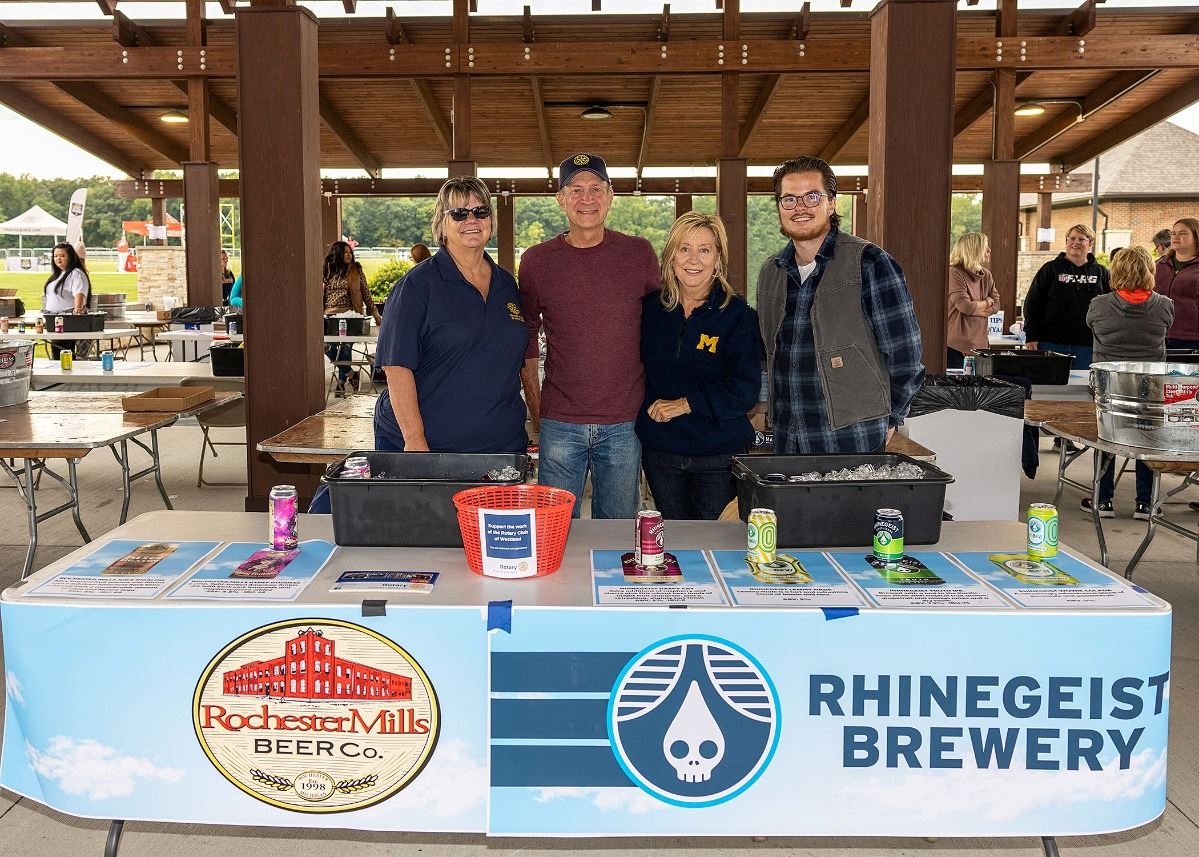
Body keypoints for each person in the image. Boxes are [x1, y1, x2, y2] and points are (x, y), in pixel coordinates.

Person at [519, 153, 660, 518]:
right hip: (560, 421)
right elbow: (527, 336)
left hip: (625, 420)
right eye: (576, 189)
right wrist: (536, 408)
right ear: (560, 199)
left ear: (611, 196)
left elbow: (662, 325)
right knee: (553, 528)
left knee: (617, 533)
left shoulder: (639, 253)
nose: (587, 198)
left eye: (596, 188)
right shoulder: (536, 261)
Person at [756, 154, 924, 454]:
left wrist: (892, 418)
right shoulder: (772, 272)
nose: (801, 208)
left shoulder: (870, 263)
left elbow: (906, 353)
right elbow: (770, 353)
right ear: (779, 207)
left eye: (812, 196)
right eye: (789, 199)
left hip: (852, 435)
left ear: (831, 203)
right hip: (788, 436)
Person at [373, 176, 527, 454]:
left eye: (481, 211)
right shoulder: (417, 286)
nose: (472, 220)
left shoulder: (507, 284)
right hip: (430, 448)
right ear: (442, 224)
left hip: (502, 448)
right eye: (458, 213)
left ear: (491, 222)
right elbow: (396, 367)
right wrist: (415, 440)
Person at [636, 212, 761, 520]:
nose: (694, 259)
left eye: (704, 250)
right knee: (674, 541)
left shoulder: (739, 316)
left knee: (714, 543)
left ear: (718, 258)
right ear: (671, 256)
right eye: (684, 249)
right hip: (661, 452)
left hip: (718, 455)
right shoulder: (649, 309)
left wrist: (685, 404)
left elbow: (744, 390)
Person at [1085, 246, 1174, 520]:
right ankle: (1145, 503)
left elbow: (1091, 325)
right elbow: (1167, 328)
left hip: (1109, 386)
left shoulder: (1099, 305)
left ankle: (1103, 501)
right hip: (1150, 388)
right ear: (1150, 271)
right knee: (1147, 442)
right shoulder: (1164, 306)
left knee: (1106, 439)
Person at [1022, 224, 1110, 369]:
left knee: (1084, 389)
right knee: (1052, 388)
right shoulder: (1050, 269)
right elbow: (1033, 303)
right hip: (1051, 342)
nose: (1076, 243)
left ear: (1090, 244)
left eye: (1081, 239)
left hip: (1087, 345)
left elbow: (1109, 306)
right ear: (1066, 241)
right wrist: (1031, 335)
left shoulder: (1101, 272)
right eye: (1072, 238)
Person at [322, 240, 380, 395]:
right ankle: (351, 374)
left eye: (350, 252)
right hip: (328, 316)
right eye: (346, 252)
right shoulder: (327, 270)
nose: (349, 255)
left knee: (345, 350)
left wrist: (375, 312)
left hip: (350, 315)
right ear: (338, 254)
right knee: (325, 346)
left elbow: (366, 292)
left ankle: (341, 383)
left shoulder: (355, 269)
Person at [946, 232, 1000, 369]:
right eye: (985, 247)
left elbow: (997, 305)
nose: (989, 250)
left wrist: (977, 308)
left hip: (981, 348)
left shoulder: (986, 275)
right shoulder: (954, 273)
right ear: (973, 250)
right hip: (956, 347)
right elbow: (965, 307)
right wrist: (987, 302)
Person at [1155, 217, 1199, 350]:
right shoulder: (1158, 265)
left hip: (1192, 339)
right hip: (1157, 336)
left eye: (1183, 233)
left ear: (1196, 237)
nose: (1176, 236)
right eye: (1174, 233)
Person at [42, 241, 92, 359]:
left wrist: (77, 310)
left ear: (70, 257)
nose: (58, 258)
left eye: (62, 255)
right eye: (55, 256)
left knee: (63, 354)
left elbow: (79, 293)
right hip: (53, 318)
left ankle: (68, 376)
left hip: (67, 320)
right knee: (57, 353)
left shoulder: (76, 273)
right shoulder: (58, 274)